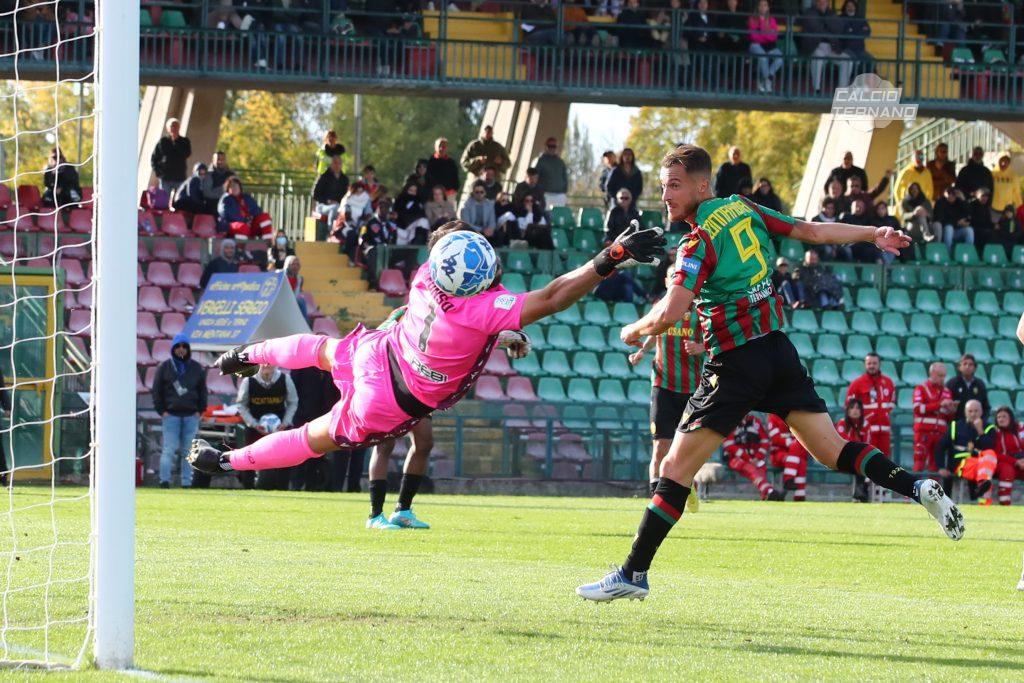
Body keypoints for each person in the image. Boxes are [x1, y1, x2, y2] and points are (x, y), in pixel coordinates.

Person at [576, 144, 959, 603]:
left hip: (735, 363)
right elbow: (810, 231)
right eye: (662, 185)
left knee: (675, 469)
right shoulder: (744, 208)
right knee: (833, 451)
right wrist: (872, 233)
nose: (665, 194)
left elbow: (671, 311)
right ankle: (916, 485)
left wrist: (633, 329)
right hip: (777, 350)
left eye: (674, 185)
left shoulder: (698, 241)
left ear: (702, 186)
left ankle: (633, 574)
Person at [188, 221, 667, 496]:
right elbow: (554, 296)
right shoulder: (483, 308)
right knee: (314, 438)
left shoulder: (424, 276)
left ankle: (245, 353)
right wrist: (611, 255)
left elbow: (441, 320)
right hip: (393, 399)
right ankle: (228, 460)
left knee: (321, 348)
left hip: (381, 349)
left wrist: (499, 338)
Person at [629, 300, 705, 501]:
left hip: (693, 390)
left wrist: (701, 346)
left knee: (688, 448)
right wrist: (642, 351)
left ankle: (687, 485)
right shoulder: (661, 307)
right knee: (661, 445)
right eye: (673, 277)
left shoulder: (701, 309)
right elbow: (653, 331)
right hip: (663, 386)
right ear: (666, 281)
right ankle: (657, 499)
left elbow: (719, 338)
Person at [151, 334, 207, 489]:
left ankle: (186, 482)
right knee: (169, 449)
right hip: (171, 415)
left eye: (184, 346)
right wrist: (162, 411)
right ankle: (164, 481)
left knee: (188, 451)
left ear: (188, 349)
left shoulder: (196, 368)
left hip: (191, 416)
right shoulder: (164, 367)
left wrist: (200, 411)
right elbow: (156, 391)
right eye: (178, 346)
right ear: (173, 348)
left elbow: (203, 391)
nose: (181, 349)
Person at [235, 363, 298, 490]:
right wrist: (254, 423)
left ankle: (283, 490)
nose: (266, 365)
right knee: (249, 457)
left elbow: (293, 402)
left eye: (269, 362)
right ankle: (248, 489)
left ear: (275, 364)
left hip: (279, 428)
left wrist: (285, 423)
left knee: (285, 459)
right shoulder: (249, 381)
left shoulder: (285, 379)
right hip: (255, 428)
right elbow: (241, 405)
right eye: (263, 362)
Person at [288, 365, 342, 492]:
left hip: (323, 417)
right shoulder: (300, 366)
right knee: (299, 451)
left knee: (317, 453)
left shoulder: (330, 366)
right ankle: (296, 484)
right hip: (302, 416)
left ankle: (311, 485)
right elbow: (293, 391)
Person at [936, 399, 997, 500]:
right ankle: (983, 488)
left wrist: (980, 431)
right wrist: (941, 467)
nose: (973, 414)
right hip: (960, 464)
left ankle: (982, 487)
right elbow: (940, 447)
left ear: (981, 412)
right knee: (984, 471)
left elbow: (989, 447)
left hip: (980, 464)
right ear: (965, 412)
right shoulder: (955, 426)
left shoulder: (989, 427)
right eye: (970, 411)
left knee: (988, 456)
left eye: (976, 411)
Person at [722, 415, 784, 501]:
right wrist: (748, 458)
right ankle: (768, 490)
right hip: (735, 459)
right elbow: (729, 445)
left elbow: (765, 441)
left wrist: (758, 457)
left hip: (755, 459)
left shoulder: (755, 421)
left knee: (761, 467)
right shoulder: (731, 421)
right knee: (751, 469)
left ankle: (766, 494)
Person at [846, 352, 896, 459]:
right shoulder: (857, 383)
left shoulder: (888, 382)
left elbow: (892, 402)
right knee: (867, 459)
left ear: (879, 364)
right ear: (865, 365)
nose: (872, 366)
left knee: (885, 460)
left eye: (874, 363)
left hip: (884, 430)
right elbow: (849, 406)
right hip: (866, 430)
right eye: (869, 363)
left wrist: (884, 415)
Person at [912, 362, 955, 472]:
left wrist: (951, 411)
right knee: (919, 462)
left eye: (944, 376)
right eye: (940, 375)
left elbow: (947, 417)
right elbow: (917, 408)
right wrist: (939, 404)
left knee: (936, 466)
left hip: (940, 433)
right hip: (923, 433)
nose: (942, 379)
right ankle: (913, 489)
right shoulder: (921, 389)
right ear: (932, 373)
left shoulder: (947, 392)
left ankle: (932, 489)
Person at [835, 397, 873, 501]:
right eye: (852, 408)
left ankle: (860, 491)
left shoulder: (865, 424)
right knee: (860, 463)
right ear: (847, 410)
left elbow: (867, 444)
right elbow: (842, 444)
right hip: (842, 458)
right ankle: (862, 490)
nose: (855, 410)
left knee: (864, 461)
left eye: (858, 408)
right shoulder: (842, 423)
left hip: (859, 458)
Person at [800, 0, 841, 92]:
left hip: (832, 46)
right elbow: (816, 28)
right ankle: (816, 88)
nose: (822, 3)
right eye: (820, 2)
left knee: (847, 61)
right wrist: (829, 27)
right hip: (816, 45)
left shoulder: (832, 13)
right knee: (817, 58)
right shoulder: (810, 12)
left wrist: (825, 22)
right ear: (816, 3)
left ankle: (843, 88)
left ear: (827, 3)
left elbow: (838, 28)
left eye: (824, 1)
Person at [767, 414, 809, 501]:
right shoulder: (773, 417)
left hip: (793, 454)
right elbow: (775, 438)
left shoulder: (793, 417)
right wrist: (790, 442)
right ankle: (788, 480)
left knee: (802, 462)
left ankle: (799, 495)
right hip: (777, 454)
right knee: (796, 446)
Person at [989, 405, 1024, 506]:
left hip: (1021, 463)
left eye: (1004, 416)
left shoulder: (1020, 428)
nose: (1001, 419)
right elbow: (997, 454)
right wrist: (1015, 462)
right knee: (1007, 469)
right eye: (999, 417)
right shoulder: (995, 433)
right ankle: (1005, 504)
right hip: (1004, 464)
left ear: (1010, 418)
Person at [748, 0, 782, 92]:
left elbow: (774, 36)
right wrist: (767, 34)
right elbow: (754, 37)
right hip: (755, 45)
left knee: (780, 59)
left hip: (769, 45)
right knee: (763, 58)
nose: (763, 7)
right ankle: (768, 82)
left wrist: (762, 33)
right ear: (758, 7)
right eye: (761, 5)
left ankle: (766, 80)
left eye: (765, 5)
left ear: (768, 8)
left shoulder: (772, 20)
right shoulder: (752, 19)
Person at [150, 118, 192, 192]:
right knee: (164, 200)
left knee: (179, 200)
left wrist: (176, 141)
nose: (174, 128)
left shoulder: (185, 141)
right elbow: (154, 158)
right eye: (172, 126)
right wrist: (158, 172)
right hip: (165, 177)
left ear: (179, 127)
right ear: (168, 128)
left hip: (180, 177)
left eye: (176, 126)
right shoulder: (163, 141)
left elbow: (187, 154)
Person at [837, 0, 871, 86]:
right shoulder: (840, 18)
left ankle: (866, 85)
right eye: (848, 6)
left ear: (855, 7)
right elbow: (843, 34)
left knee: (870, 60)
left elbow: (867, 32)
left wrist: (852, 31)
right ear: (845, 7)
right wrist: (857, 31)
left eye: (852, 6)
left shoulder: (860, 18)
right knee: (852, 60)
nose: (850, 8)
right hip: (845, 49)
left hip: (860, 49)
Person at [946, 353, 989, 420]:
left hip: (975, 423)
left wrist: (982, 420)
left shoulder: (980, 384)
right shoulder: (952, 383)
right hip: (957, 423)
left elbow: (985, 406)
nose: (967, 367)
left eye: (970, 364)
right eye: (965, 364)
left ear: (975, 368)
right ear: (959, 367)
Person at [312, 155, 350, 229]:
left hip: (340, 205)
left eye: (339, 163)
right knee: (334, 208)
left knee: (347, 209)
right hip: (323, 206)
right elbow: (315, 195)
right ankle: (331, 231)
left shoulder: (344, 179)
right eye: (335, 163)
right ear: (331, 164)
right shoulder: (323, 177)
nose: (337, 165)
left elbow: (346, 195)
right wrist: (328, 201)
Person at [933, 185, 974, 252]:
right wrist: (957, 222)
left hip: (956, 231)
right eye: (949, 193)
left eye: (953, 194)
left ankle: (967, 254)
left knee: (969, 230)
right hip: (944, 231)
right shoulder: (940, 202)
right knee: (949, 228)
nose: (951, 195)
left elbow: (969, 212)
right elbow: (939, 219)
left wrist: (963, 199)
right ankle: (947, 254)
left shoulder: (959, 202)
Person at [532, 137, 569, 208]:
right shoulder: (540, 161)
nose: (552, 148)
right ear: (546, 146)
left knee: (558, 217)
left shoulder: (560, 162)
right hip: (545, 195)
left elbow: (565, 177)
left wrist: (564, 190)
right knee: (545, 216)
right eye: (550, 146)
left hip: (559, 195)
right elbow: (534, 177)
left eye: (554, 146)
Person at [393, 178, 430, 245]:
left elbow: (422, 214)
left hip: (416, 228)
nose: (413, 193)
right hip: (402, 227)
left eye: (415, 191)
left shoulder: (418, 201)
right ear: (406, 190)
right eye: (411, 190)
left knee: (423, 222)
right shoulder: (400, 200)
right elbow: (400, 214)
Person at [991, 152, 1022, 216]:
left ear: (1009, 163)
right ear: (998, 161)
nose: (1003, 163)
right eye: (1001, 161)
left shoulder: (1013, 176)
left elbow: (1016, 193)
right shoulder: (992, 174)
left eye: (1006, 161)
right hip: (993, 208)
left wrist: (1020, 207)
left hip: (1007, 209)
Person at [280, 255, 308, 320]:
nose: (295, 266)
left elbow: (297, 293)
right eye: (293, 264)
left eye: (297, 264)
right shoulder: (281, 276)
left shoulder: (300, 279)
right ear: (288, 265)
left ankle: (304, 325)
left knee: (301, 301)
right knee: (301, 302)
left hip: (292, 300)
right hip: (282, 300)